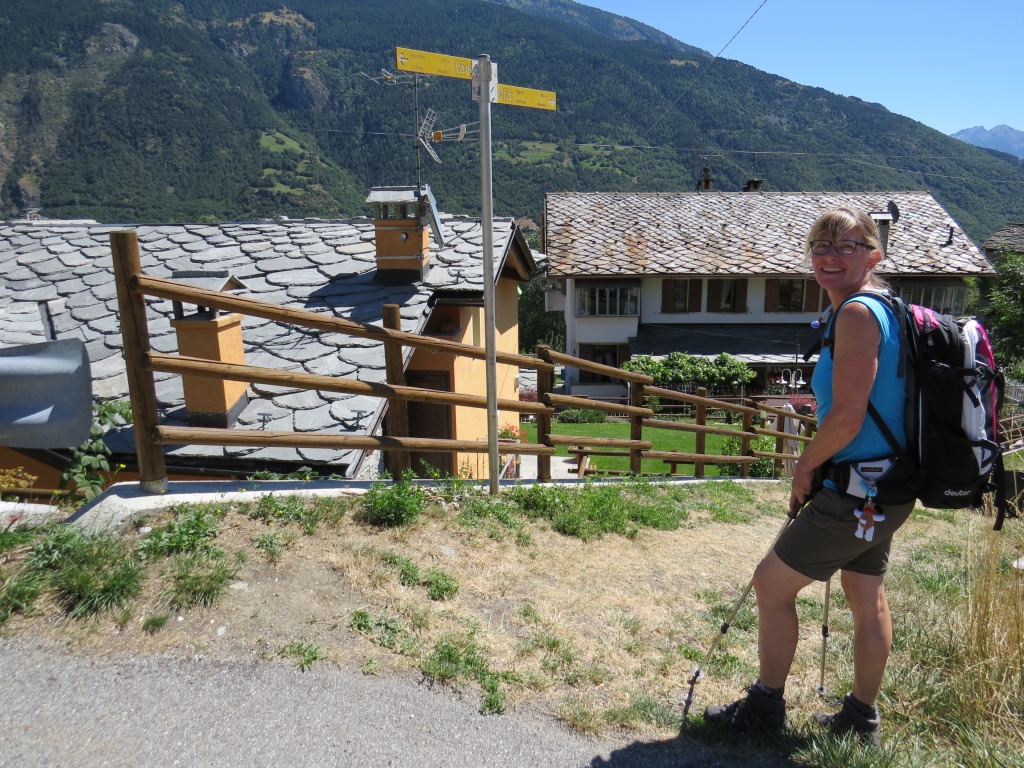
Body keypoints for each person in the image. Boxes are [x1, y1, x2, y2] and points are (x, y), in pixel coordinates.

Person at [704, 206, 917, 748]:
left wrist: (804, 465)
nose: (829, 256)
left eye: (846, 246)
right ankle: (861, 720)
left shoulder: (857, 315)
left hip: (854, 490)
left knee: (771, 584)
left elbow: (846, 417)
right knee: (865, 594)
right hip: (888, 486)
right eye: (820, 246)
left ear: (873, 255)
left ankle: (765, 707)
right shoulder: (889, 309)